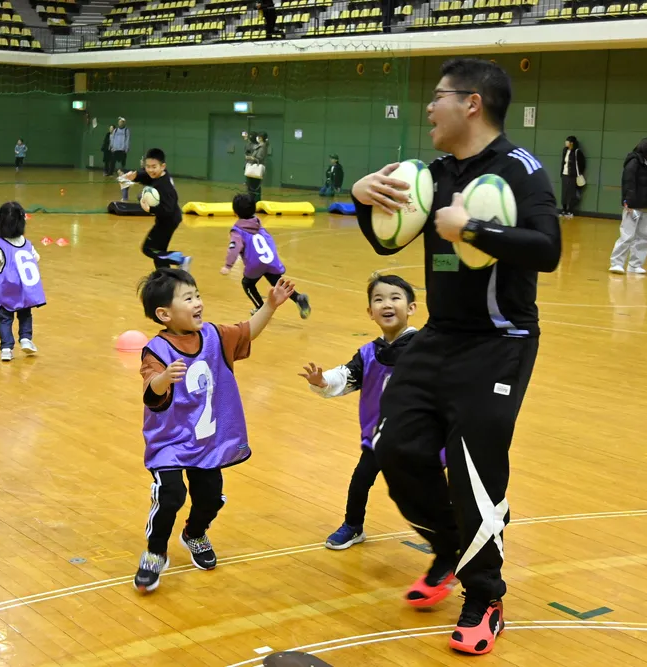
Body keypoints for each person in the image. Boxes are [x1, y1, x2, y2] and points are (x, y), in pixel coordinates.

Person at [350, 58, 560, 655]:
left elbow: (547, 248)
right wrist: (363, 197)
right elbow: (386, 236)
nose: (428, 108)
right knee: (394, 449)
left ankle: (484, 595)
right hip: (439, 337)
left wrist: (472, 231)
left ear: (472, 103)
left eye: (438, 97)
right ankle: (450, 543)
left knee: (474, 472)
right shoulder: (434, 172)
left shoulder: (522, 170)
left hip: (500, 344)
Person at [133, 268, 296, 592]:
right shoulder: (157, 350)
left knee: (210, 499)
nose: (197, 303)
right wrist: (164, 378)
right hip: (171, 442)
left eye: (197, 295)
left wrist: (271, 306)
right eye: (188, 298)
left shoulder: (215, 336)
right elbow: (151, 390)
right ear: (164, 313)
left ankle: (194, 533)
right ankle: (155, 552)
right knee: (171, 494)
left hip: (207, 441)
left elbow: (247, 331)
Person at [299, 274, 420, 550]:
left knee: (422, 492)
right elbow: (346, 375)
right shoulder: (369, 353)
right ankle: (353, 525)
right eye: (378, 299)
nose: (386, 304)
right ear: (370, 312)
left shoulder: (424, 347)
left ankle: (449, 534)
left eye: (395, 298)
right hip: (379, 437)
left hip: (416, 439)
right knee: (360, 480)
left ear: (411, 308)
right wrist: (323, 381)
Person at [221, 193, 310, 318]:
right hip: (270, 260)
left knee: (247, 284)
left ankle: (260, 308)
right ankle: (299, 298)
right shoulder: (257, 223)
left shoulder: (237, 230)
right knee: (277, 282)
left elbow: (234, 248)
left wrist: (228, 265)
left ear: (235, 212)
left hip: (255, 264)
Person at [0, 202, 46, 362]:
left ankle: (7, 348)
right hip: (24, 289)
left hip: (6, 289)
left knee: (4, 318)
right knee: (25, 314)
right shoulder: (26, 242)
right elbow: (36, 258)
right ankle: (25, 338)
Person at [122, 148, 192, 271]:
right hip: (168, 219)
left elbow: (168, 209)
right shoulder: (158, 175)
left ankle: (180, 259)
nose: (150, 170)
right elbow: (148, 176)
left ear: (163, 166)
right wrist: (136, 176)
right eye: (147, 166)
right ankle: (166, 278)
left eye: (153, 167)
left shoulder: (165, 186)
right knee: (159, 254)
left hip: (168, 221)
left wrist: (151, 209)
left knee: (148, 249)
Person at [610, 138, 647, 275]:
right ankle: (617, 263)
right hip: (633, 205)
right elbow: (628, 181)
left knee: (644, 237)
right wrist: (627, 201)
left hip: (645, 205)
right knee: (627, 235)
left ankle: (635, 265)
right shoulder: (634, 162)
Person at [559, 136, 585, 219]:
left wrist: (577, 172)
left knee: (571, 193)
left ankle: (570, 210)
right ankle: (563, 209)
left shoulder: (577, 152)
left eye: (567, 141)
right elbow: (563, 162)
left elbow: (582, 164)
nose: (566, 142)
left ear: (572, 143)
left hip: (572, 175)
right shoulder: (565, 150)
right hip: (564, 174)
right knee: (564, 193)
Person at [243, 131, 267, 203]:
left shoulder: (262, 146)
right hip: (253, 166)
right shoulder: (259, 145)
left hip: (256, 167)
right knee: (251, 185)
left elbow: (259, 158)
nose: (258, 138)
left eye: (259, 137)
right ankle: (252, 200)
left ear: (261, 138)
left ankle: (255, 201)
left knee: (255, 186)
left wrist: (250, 158)